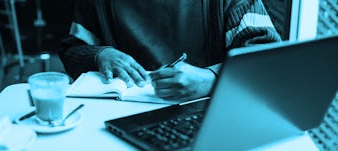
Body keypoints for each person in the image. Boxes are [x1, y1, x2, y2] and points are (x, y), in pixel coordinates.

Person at [59, 0, 281, 101]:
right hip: (121, 119)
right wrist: (100, 55)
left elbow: (271, 61)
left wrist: (212, 80)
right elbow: (73, 50)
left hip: (209, 113)